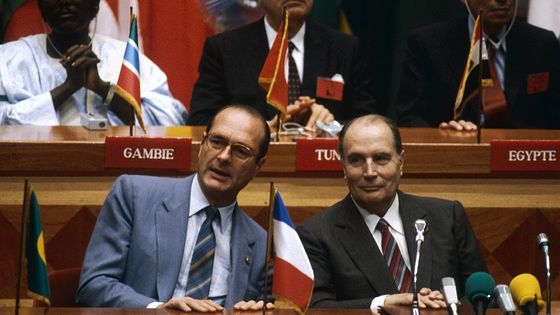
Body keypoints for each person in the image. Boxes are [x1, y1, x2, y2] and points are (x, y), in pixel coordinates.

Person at [77, 104, 273, 312]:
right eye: (217, 142)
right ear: (202, 145)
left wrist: (259, 309)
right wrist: (159, 308)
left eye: (241, 151)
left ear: (257, 167)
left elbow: (270, 305)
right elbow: (93, 285)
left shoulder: (260, 242)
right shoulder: (134, 195)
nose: (224, 157)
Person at [296, 114, 487, 310]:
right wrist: (381, 304)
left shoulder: (448, 217)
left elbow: (482, 297)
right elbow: (317, 308)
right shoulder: (316, 234)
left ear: (401, 161)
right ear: (343, 166)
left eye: (380, 158)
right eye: (356, 160)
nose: (369, 172)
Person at [187, 0, 376, 129]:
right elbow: (200, 122)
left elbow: (367, 123)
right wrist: (261, 130)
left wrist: (331, 126)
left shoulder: (344, 48)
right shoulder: (224, 49)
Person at [0, 0, 187, 126]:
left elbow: (169, 122)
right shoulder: (9, 59)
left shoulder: (127, 58)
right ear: (41, 8)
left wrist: (102, 88)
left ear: (96, 6)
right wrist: (68, 88)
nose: (64, 2)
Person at [396, 0, 560, 130]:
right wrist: (443, 133)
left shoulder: (542, 44)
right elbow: (409, 117)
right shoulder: (427, 44)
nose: (503, 0)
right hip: (456, 158)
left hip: (526, 160)